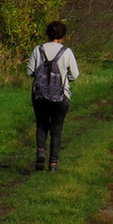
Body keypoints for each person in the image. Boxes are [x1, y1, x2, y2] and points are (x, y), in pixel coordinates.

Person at [26, 20, 79, 172]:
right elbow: (75, 75)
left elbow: (29, 71)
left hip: (40, 96)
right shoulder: (67, 52)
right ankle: (53, 163)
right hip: (60, 97)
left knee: (41, 124)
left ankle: (41, 151)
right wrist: (63, 78)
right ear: (63, 36)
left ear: (47, 34)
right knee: (57, 128)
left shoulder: (38, 49)